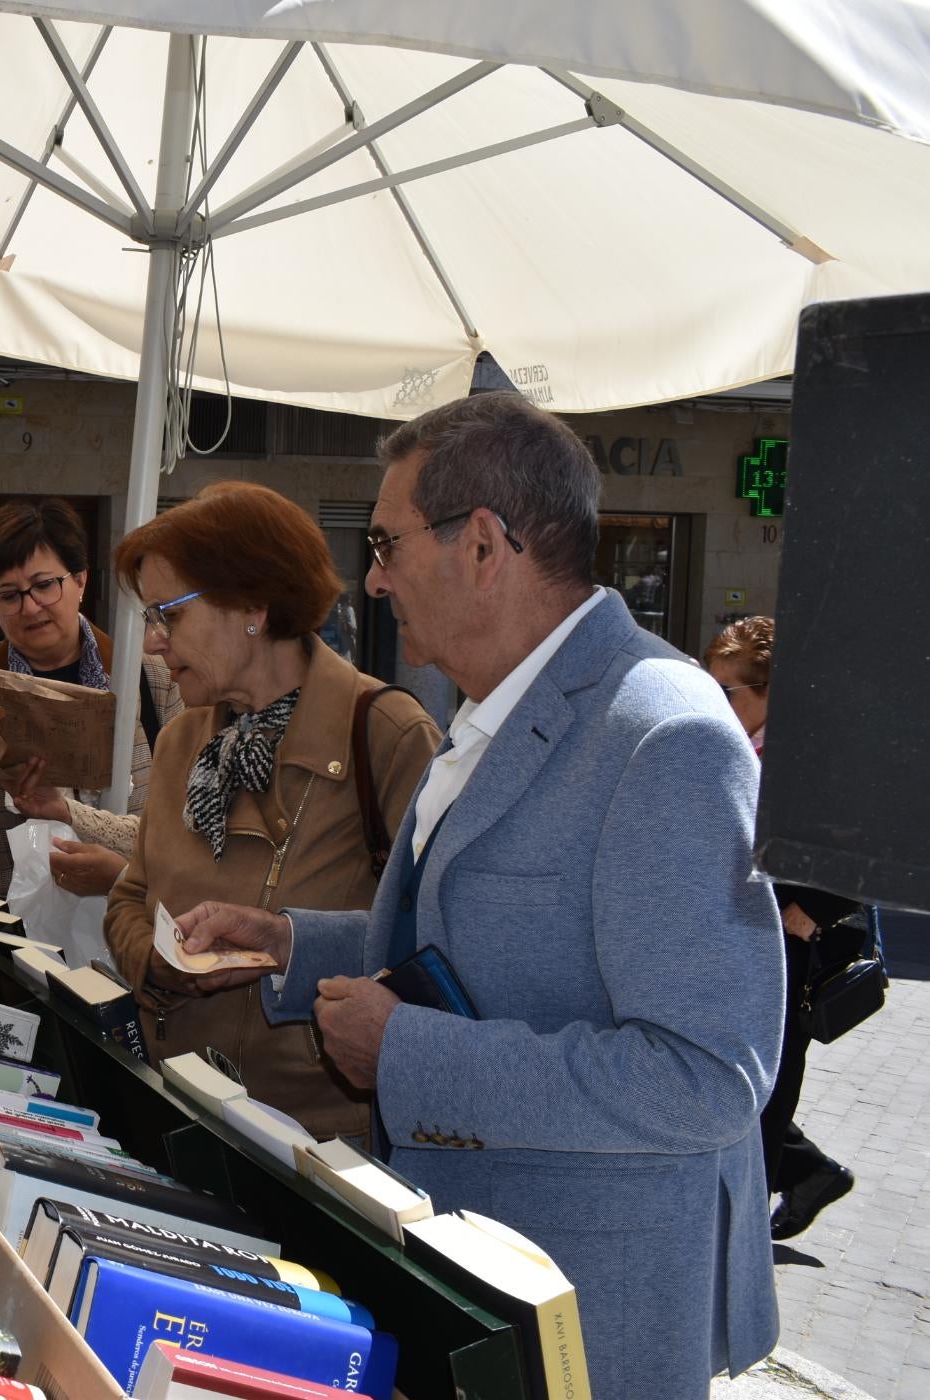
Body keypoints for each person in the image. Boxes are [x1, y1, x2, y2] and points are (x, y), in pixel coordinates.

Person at [173, 392, 784, 1397]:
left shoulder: (665, 735)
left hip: (592, 1311)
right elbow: (472, 946)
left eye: (387, 542)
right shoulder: (504, 703)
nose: (371, 575)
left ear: (486, 546)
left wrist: (408, 1051)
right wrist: (294, 943)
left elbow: (706, 1075)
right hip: (486, 1276)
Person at [102, 483, 441, 1139]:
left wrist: (287, 941)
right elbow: (129, 898)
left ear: (254, 605)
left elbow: (436, 943)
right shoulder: (182, 740)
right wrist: (155, 961)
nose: (152, 642)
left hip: (312, 1150)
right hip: (176, 1109)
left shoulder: (388, 736)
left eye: (168, 614)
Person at [0, 499, 183, 901]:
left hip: (129, 920)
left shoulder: (152, 678)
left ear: (79, 580)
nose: (29, 607)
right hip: (12, 933)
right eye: (9, 595)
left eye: (44, 585)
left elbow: (178, 821)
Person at [704, 616, 861, 1240]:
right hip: (737, 943)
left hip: (783, 954)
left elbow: (869, 849)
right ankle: (802, 1179)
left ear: (772, 691)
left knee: (761, 1101)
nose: (718, 703)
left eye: (731, 692)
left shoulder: (809, 757)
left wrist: (813, 910)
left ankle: (740, 1254)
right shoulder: (738, 743)